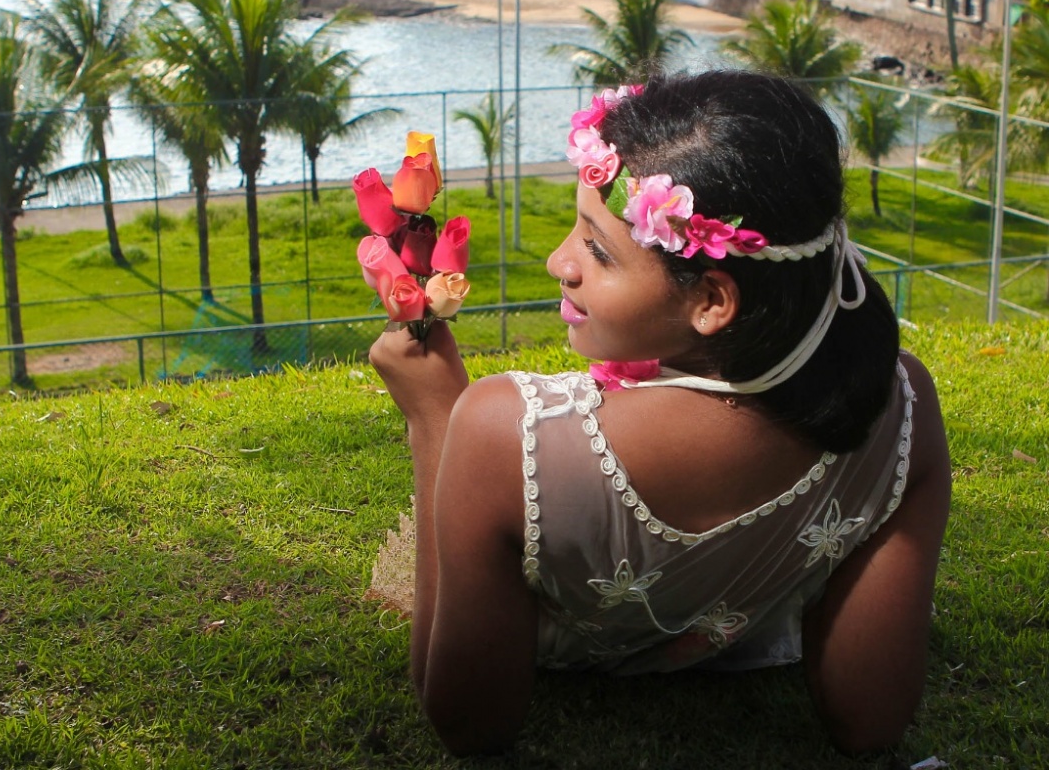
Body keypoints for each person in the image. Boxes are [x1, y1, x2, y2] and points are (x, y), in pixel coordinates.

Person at [369, 69, 951, 757]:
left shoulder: (511, 432)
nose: (560, 261)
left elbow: (467, 725)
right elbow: (871, 724)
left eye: (597, 247)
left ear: (711, 301)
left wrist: (438, 414)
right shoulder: (899, 408)